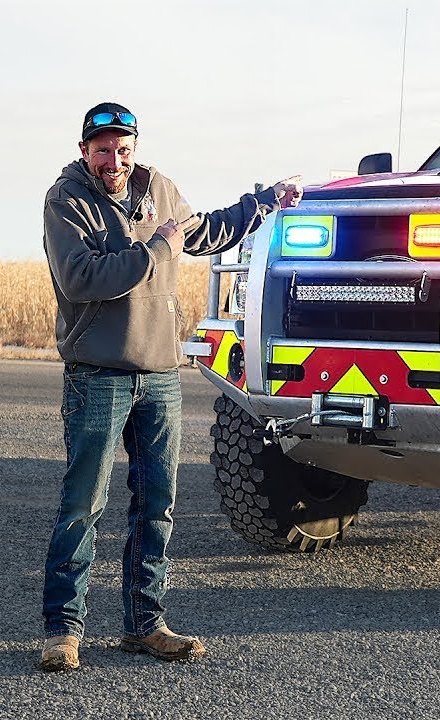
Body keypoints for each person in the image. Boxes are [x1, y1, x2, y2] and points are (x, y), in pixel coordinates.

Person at [38, 101, 302, 672]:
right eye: (103, 149)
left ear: (135, 147)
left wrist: (262, 204)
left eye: (124, 149)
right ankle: (63, 630)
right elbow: (83, 279)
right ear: (85, 149)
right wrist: (157, 248)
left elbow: (203, 231)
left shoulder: (158, 188)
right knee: (83, 505)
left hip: (159, 375)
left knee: (156, 504)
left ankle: (145, 623)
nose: (115, 160)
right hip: (98, 375)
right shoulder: (66, 201)